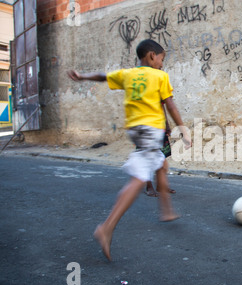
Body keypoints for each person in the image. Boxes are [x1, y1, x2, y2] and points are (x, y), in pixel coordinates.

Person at [68, 39, 191, 261]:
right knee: (138, 178)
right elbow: (170, 104)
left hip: (135, 129)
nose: (162, 64)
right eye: (162, 59)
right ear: (152, 56)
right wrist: (184, 129)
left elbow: (103, 76)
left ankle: (166, 210)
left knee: (161, 164)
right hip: (152, 130)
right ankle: (107, 227)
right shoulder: (160, 76)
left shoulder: (128, 74)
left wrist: (82, 76)